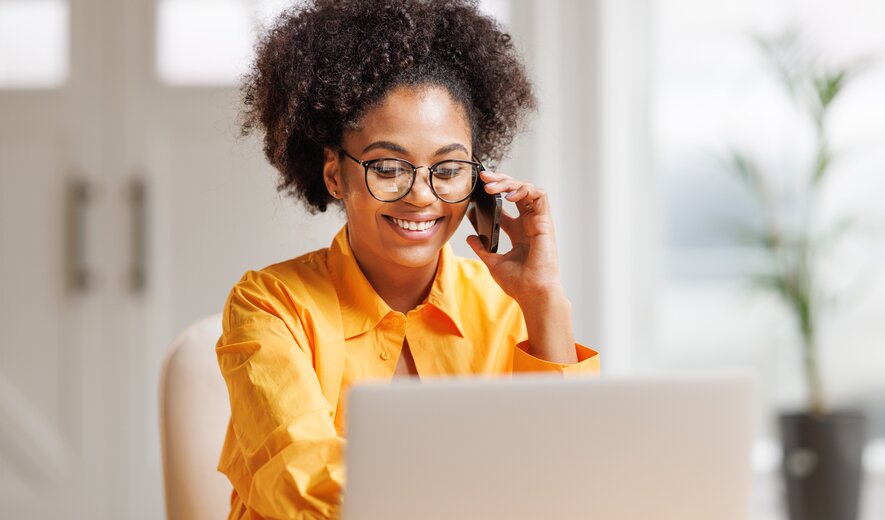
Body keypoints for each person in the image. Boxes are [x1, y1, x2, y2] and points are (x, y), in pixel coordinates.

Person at [215, 0, 600, 518]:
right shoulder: (268, 307)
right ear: (335, 174)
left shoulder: (501, 304)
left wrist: (544, 298)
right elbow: (300, 480)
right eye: (390, 166)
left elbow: (571, 477)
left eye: (448, 168)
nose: (422, 195)